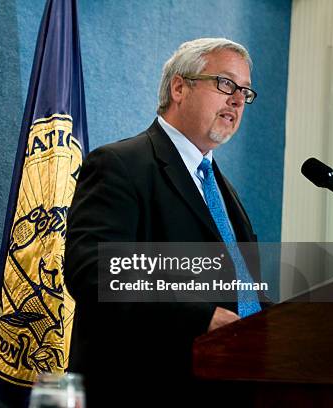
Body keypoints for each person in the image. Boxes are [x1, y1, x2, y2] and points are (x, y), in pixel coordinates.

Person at [65, 38, 266, 406]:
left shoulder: (225, 193)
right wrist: (200, 318)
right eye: (225, 84)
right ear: (179, 87)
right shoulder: (120, 165)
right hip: (144, 388)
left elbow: (243, 289)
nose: (238, 100)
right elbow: (94, 271)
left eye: (245, 92)